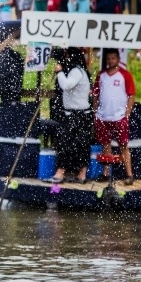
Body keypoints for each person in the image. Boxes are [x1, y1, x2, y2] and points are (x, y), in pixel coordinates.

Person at [47, 48, 92, 184]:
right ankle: (80, 174)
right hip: (78, 114)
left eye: (67, 57)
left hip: (78, 115)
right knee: (79, 144)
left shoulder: (76, 71)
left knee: (67, 144)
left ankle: (61, 173)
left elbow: (66, 85)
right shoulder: (80, 71)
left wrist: (59, 72)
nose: (65, 60)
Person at [93, 49, 135, 184]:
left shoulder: (125, 75)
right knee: (105, 145)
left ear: (118, 59)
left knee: (123, 145)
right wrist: (95, 111)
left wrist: (127, 113)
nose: (110, 61)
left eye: (113, 58)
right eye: (108, 59)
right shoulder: (101, 75)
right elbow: (96, 94)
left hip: (119, 116)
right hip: (103, 116)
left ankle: (129, 175)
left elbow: (131, 95)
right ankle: (105, 173)